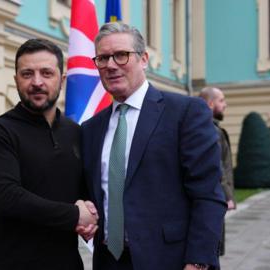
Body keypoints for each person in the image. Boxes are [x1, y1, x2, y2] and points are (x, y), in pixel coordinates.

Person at [81, 22, 227, 270]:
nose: (111, 65)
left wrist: (198, 262)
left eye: (121, 55)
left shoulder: (186, 112)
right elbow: (94, 192)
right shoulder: (91, 128)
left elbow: (208, 194)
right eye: (103, 58)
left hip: (170, 260)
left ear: (144, 59)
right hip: (108, 260)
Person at [0, 38, 98, 270]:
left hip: (67, 262)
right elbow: (7, 198)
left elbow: (83, 190)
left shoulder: (76, 132)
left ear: (61, 80)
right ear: (16, 80)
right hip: (12, 262)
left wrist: (91, 214)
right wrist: (75, 216)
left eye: (46, 73)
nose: (37, 82)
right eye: (27, 74)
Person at [199, 86, 236, 256]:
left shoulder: (208, 128)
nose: (225, 105)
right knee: (212, 250)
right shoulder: (210, 130)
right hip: (214, 198)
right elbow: (217, 165)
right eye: (221, 100)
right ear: (210, 104)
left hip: (211, 197)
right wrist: (227, 196)